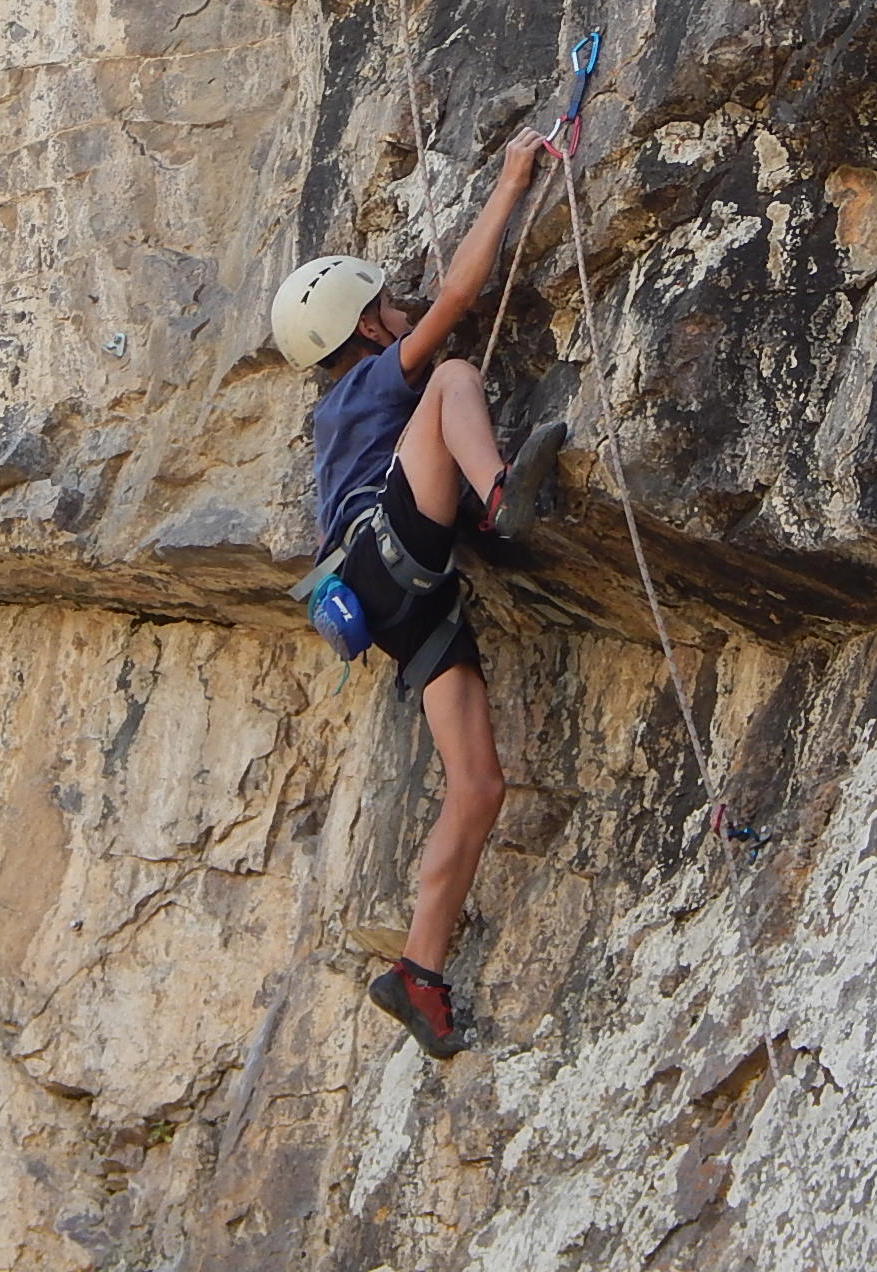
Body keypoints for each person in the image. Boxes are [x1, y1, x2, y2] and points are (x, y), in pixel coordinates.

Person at [269, 129, 567, 1060]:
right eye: (386, 304)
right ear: (365, 327)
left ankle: (419, 974)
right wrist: (514, 176)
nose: (400, 309)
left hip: (400, 600)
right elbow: (461, 299)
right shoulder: (368, 383)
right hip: (391, 553)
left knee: (476, 786)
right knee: (452, 377)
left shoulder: (337, 413)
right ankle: (500, 493)